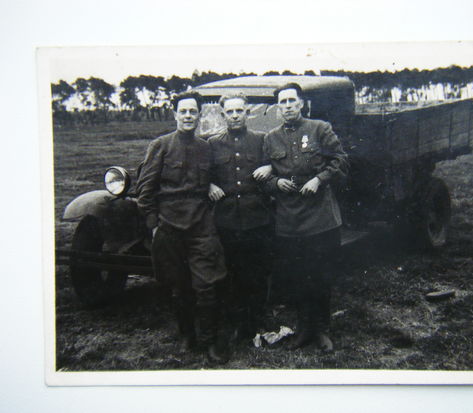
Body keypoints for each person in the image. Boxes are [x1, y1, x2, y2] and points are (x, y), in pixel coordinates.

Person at [136, 91, 229, 363]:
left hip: (201, 226)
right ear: (175, 114)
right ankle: (187, 336)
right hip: (169, 226)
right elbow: (145, 191)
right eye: (183, 111)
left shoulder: (206, 147)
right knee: (179, 286)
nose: (188, 116)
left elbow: (214, 177)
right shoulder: (161, 145)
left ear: (199, 115)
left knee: (206, 284)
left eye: (193, 111)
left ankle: (209, 341)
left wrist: (210, 185)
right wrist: (154, 226)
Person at [263, 83, 348, 351]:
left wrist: (318, 179)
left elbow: (341, 160)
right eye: (283, 102)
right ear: (278, 108)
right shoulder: (271, 138)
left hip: (321, 216)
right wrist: (276, 183)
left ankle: (321, 330)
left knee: (320, 274)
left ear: (301, 103)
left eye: (292, 101)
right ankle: (303, 329)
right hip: (290, 220)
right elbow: (263, 175)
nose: (288, 106)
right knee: (298, 276)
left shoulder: (320, 129)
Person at [208, 93, 273, 342]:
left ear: (247, 112)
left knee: (258, 272)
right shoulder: (213, 143)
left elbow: (279, 162)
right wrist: (209, 185)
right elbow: (203, 173)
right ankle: (237, 323)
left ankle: (257, 319)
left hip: (257, 218)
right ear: (223, 115)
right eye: (230, 112)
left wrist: (269, 167)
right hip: (227, 220)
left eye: (239, 111)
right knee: (231, 272)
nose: (235, 116)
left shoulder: (261, 139)